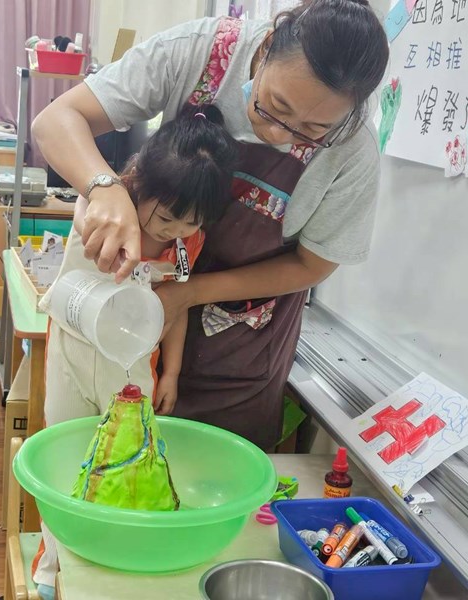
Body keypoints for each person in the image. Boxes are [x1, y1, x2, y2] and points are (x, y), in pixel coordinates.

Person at [31, 0, 390, 449]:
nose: (280, 134)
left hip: (240, 349)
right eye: (275, 106)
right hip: (131, 330)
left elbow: (313, 266)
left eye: (313, 129)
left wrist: (190, 293)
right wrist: (104, 188)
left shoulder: (352, 150)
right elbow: (57, 120)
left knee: (210, 486)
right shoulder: (202, 51)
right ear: (267, 46)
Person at [41, 103, 237, 424]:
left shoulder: (188, 244)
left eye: (191, 223)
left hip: (131, 362)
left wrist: (172, 373)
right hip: (72, 350)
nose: (174, 230)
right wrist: (102, 224)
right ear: (137, 183)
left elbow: (177, 306)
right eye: (165, 218)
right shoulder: (105, 206)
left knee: (127, 448)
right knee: (65, 440)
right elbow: (83, 207)